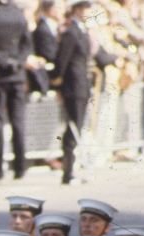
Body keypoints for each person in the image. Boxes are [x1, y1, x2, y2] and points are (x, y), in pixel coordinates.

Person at [0, 0, 32, 182]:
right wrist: (18, 61)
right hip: (17, 74)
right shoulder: (20, 15)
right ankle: (20, 166)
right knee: (18, 122)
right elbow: (27, 45)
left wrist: (2, 59)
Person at [53, 0, 92, 184]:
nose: (87, 11)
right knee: (72, 129)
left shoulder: (82, 31)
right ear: (76, 10)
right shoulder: (71, 33)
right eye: (84, 8)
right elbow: (62, 61)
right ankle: (68, 172)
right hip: (73, 86)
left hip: (81, 85)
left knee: (77, 128)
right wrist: (57, 84)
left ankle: (72, 170)